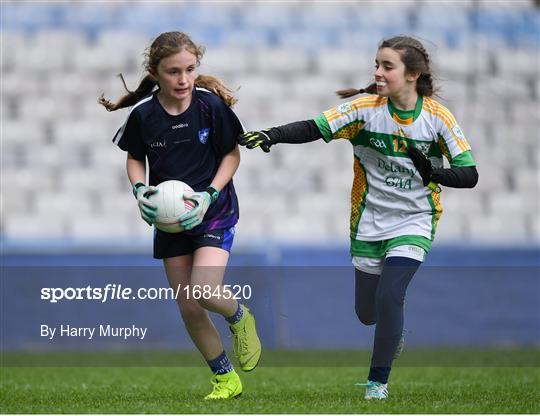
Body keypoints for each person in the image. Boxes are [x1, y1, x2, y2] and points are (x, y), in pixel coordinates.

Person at [238, 35, 478, 400]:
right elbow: (313, 127)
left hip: (415, 219)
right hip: (369, 221)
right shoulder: (364, 109)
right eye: (376, 65)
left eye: (387, 66)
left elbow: (470, 174)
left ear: (412, 74)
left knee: (390, 297)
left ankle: (377, 384)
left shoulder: (437, 118)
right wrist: (272, 135)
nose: (378, 73)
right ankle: (392, 334)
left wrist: (433, 173)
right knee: (367, 313)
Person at [99, 31, 261, 400]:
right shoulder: (144, 116)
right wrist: (140, 191)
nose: (184, 79)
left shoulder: (211, 108)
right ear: (155, 73)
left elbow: (232, 155)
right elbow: (134, 157)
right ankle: (225, 378)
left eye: (190, 69)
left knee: (204, 291)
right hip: (169, 219)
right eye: (174, 72)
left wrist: (208, 195)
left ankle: (239, 316)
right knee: (189, 306)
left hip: (214, 211)